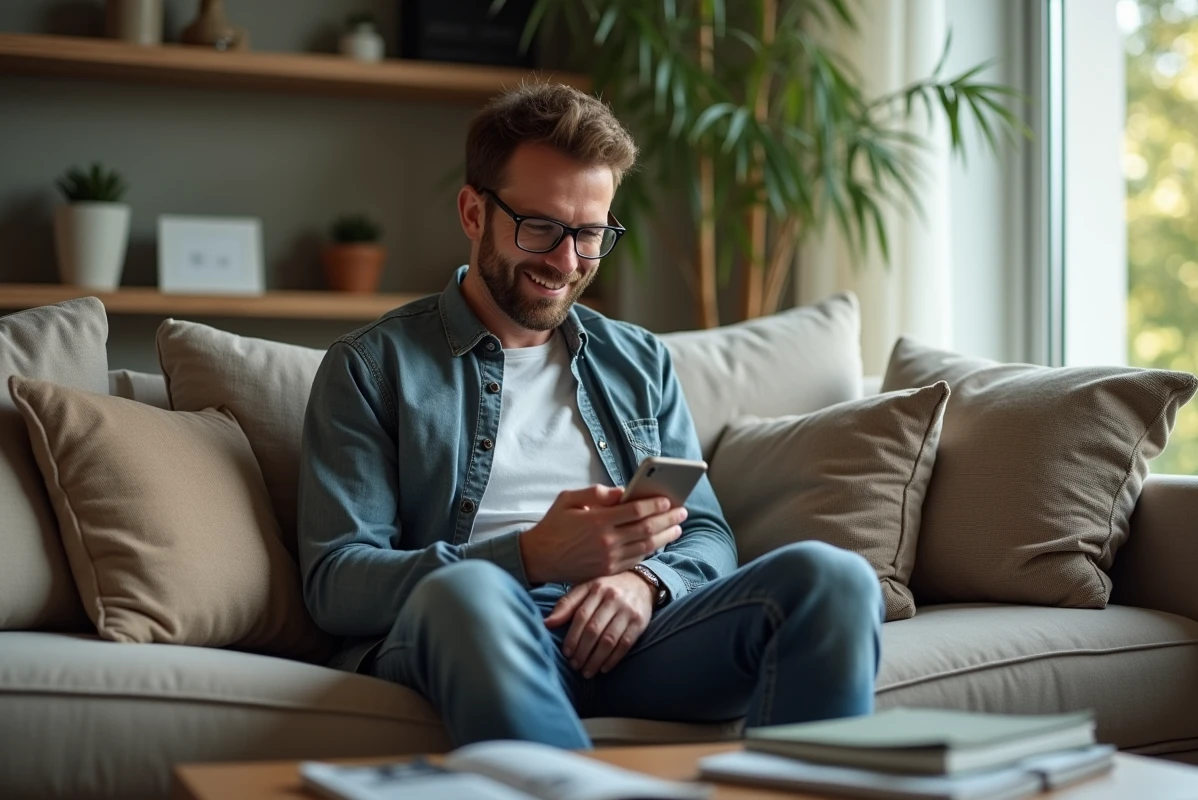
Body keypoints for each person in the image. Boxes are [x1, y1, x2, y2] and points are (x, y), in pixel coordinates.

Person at [297, 82, 883, 749]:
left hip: (639, 638)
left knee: (832, 578)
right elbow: (335, 580)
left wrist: (647, 581)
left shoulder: (637, 360)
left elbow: (710, 535)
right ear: (472, 212)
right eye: (540, 227)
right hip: (479, 630)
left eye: (591, 234)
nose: (566, 261)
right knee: (467, 594)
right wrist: (526, 558)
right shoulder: (372, 367)